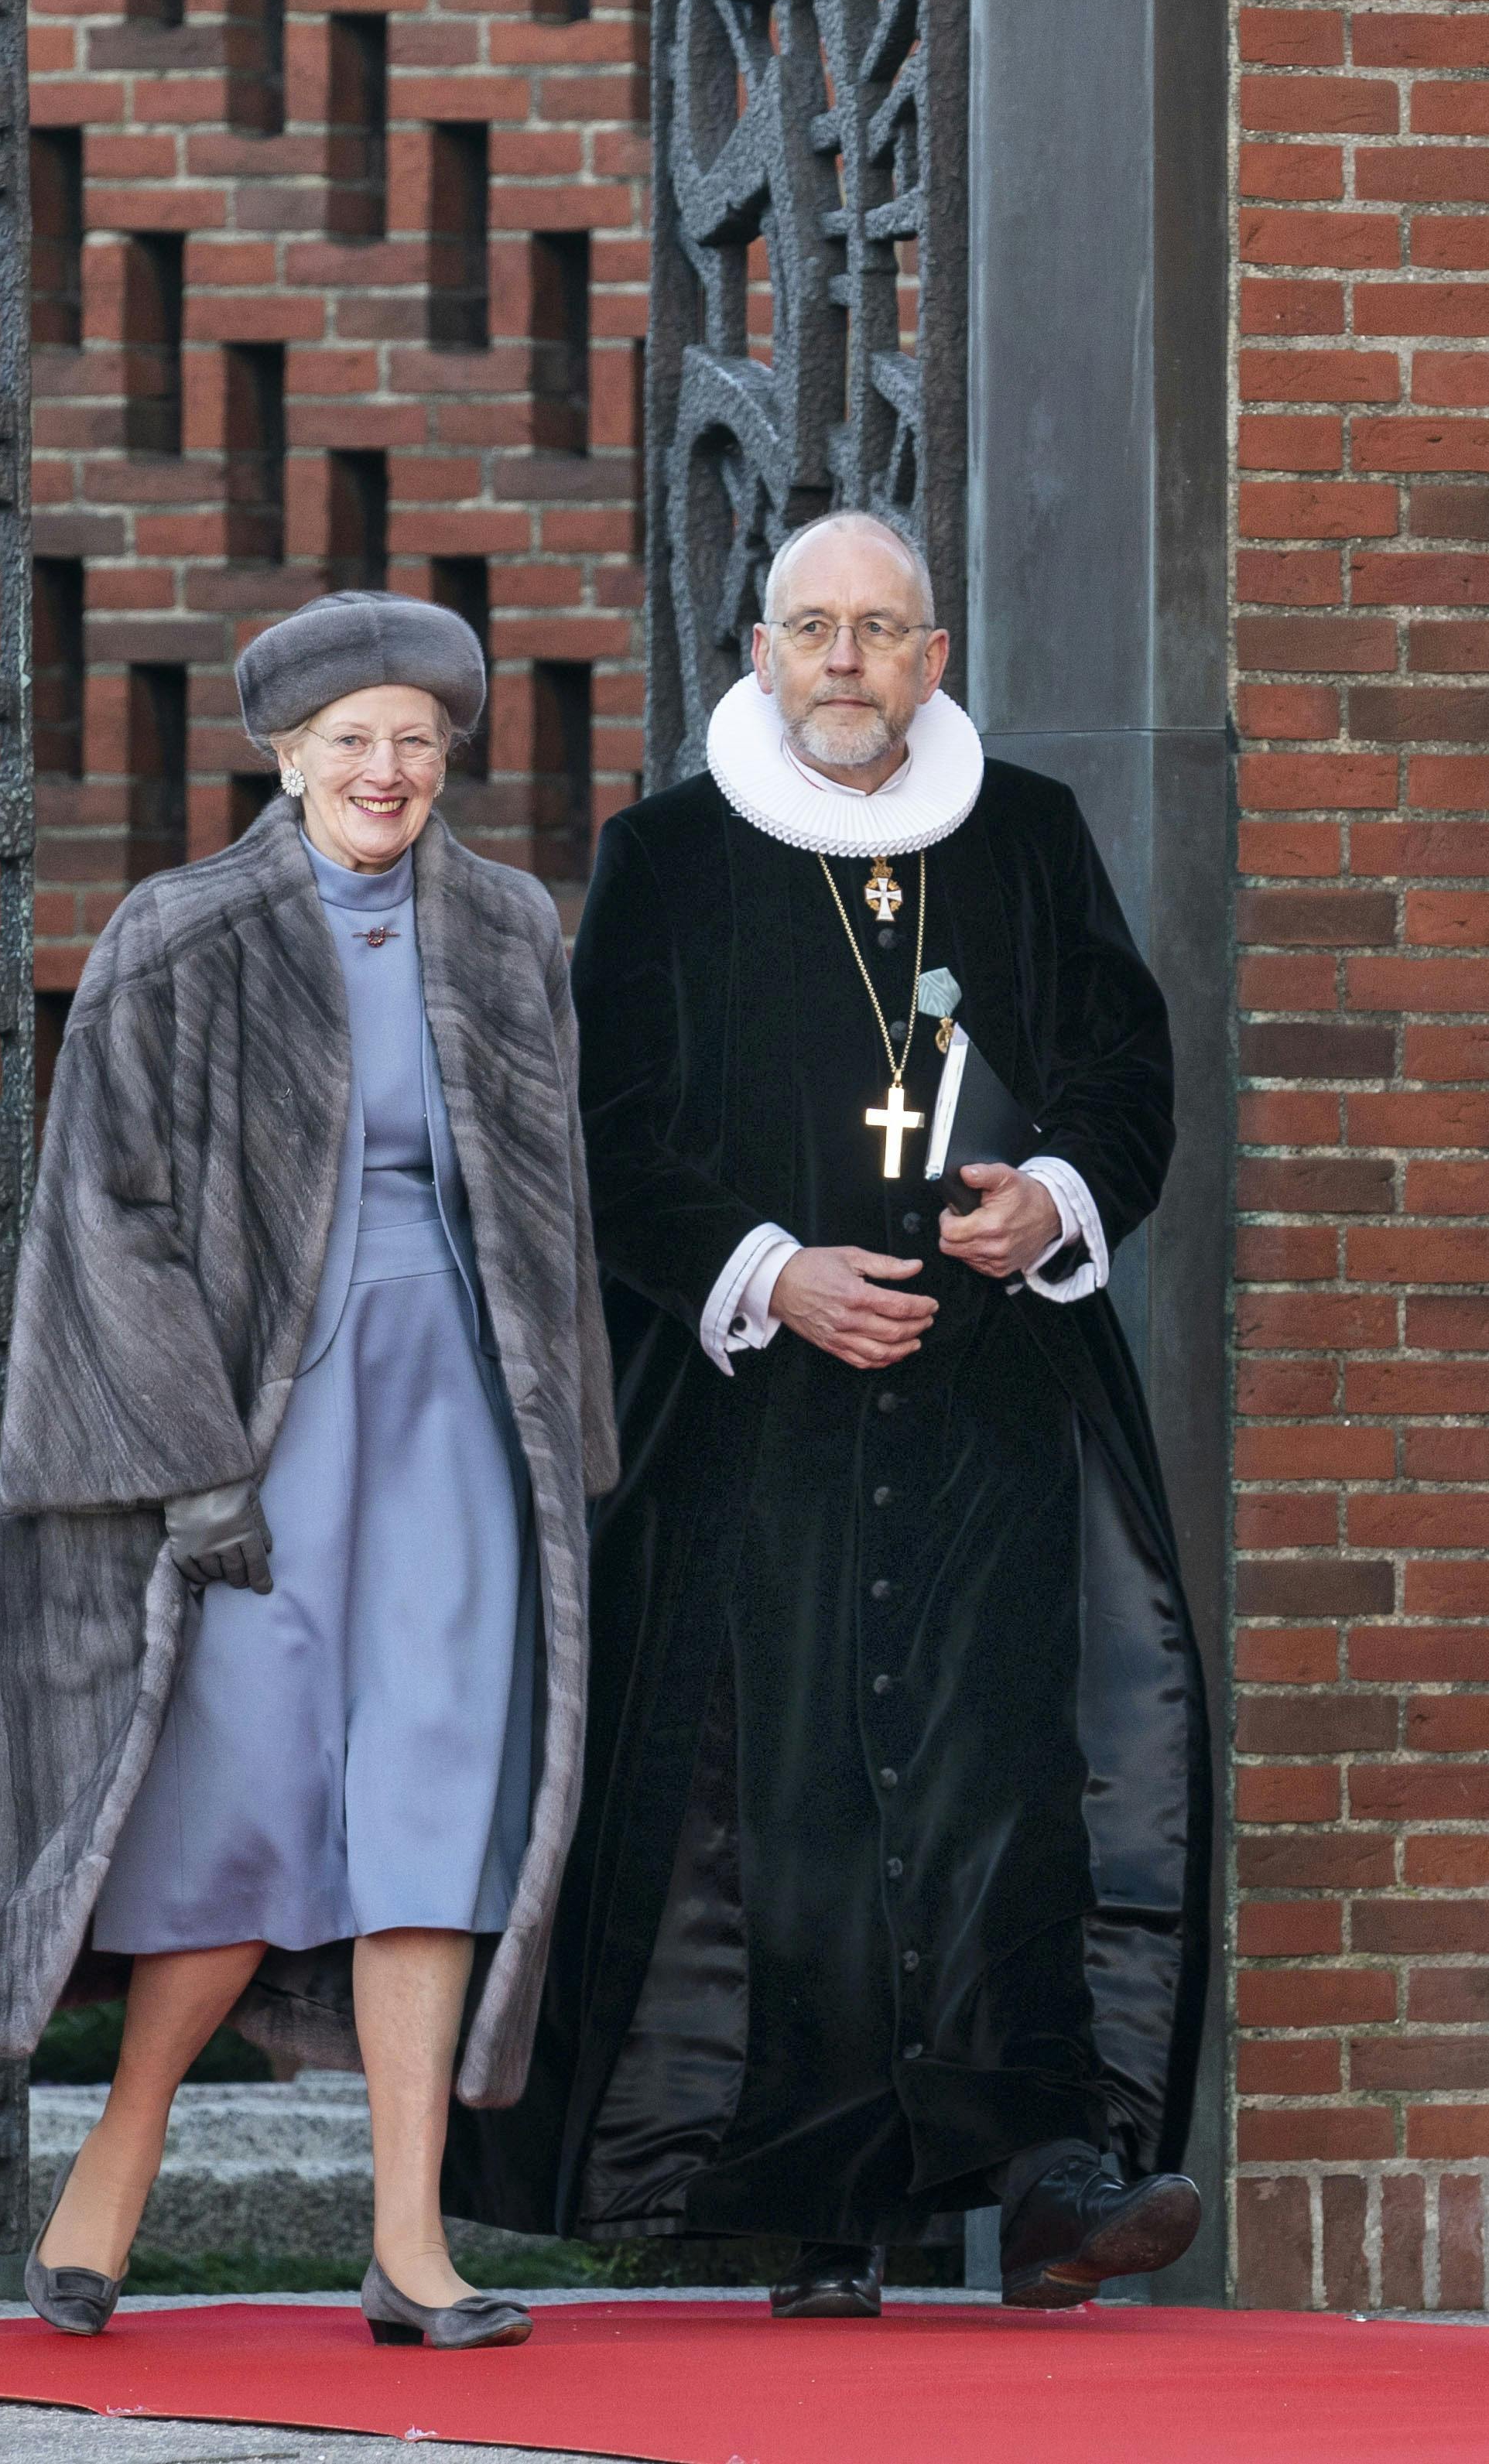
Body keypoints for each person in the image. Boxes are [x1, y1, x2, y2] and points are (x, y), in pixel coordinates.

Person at [0, 590, 616, 2351]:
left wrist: (572, 1438)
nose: (386, 769)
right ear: (283, 753)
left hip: (457, 1422)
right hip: (252, 1435)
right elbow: (103, 1222)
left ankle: (411, 2246)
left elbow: (551, 1205)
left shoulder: (503, 923)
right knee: (236, 1813)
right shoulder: (180, 933)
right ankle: (118, 2149)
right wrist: (187, 1469)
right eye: (350, 741)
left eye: (414, 737)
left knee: (429, 1807)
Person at [447, 513, 1210, 2315]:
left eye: (881, 629)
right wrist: (768, 1267)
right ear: (762, 649)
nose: (847, 659)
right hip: (760, 1415)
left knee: (1004, 1774)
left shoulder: (1021, 836)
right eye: (813, 627)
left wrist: (1056, 1198)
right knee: (781, 1793)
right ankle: (816, 2214)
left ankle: (1044, 2177)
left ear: (932, 657)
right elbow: (605, 1135)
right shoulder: (668, 855)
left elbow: (1124, 1069)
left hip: (991, 1398)